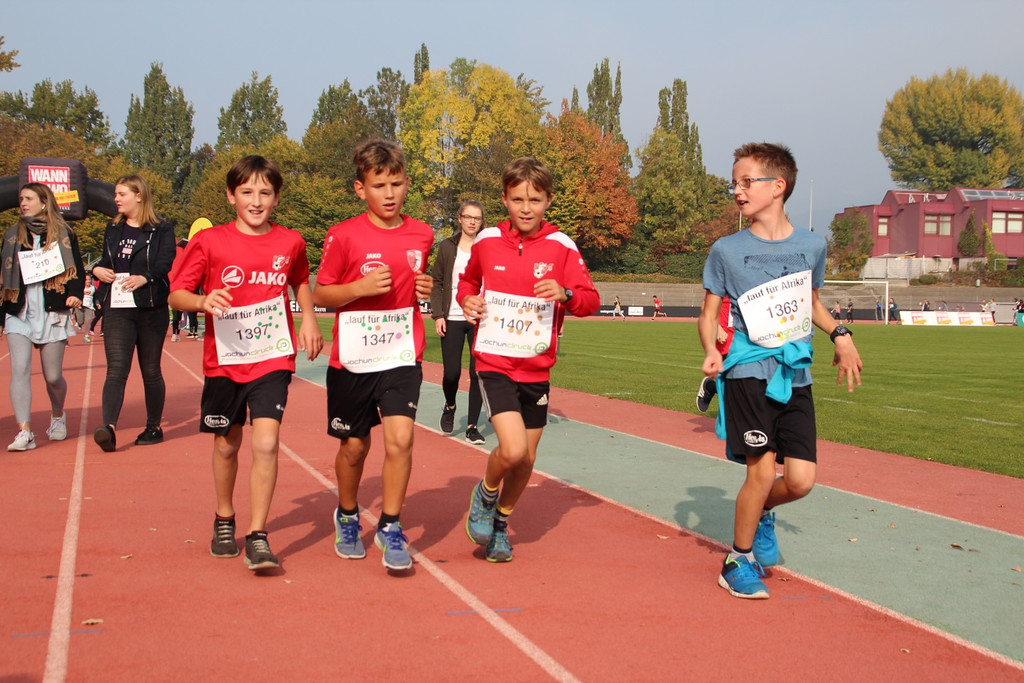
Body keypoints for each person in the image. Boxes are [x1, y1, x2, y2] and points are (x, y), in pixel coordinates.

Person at [699, 142, 862, 599]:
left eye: (747, 181)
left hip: (795, 374)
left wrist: (840, 334)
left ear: (778, 186)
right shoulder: (726, 250)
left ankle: (762, 512)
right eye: (734, 182)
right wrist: (711, 349)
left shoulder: (812, 245)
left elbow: (811, 304)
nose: (737, 190)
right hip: (747, 370)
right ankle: (737, 560)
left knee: (801, 481)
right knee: (760, 472)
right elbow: (709, 313)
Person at [169, 155, 323, 572]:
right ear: (231, 195)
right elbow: (177, 294)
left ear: (276, 198)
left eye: (265, 193)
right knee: (227, 444)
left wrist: (308, 319)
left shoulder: (291, 242)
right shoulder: (209, 242)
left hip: (272, 355)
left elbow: (299, 279)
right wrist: (202, 301)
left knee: (267, 442)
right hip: (224, 360)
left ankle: (258, 534)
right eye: (247, 192)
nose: (256, 201)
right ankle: (224, 517)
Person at [459, 157, 600, 563]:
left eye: (534, 200)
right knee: (513, 448)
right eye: (517, 199)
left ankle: (501, 525)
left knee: (527, 459)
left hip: (536, 367)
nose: (525, 208)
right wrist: (467, 300)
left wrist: (566, 294)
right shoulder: (487, 240)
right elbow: (468, 282)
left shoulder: (562, 246)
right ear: (504, 198)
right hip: (494, 362)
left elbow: (590, 300)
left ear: (548, 201)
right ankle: (486, 493)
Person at [313, 139, 434, 572]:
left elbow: (418, 283)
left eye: (396, 184)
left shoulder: (422, 233)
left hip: (401, 353)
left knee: (401, 439)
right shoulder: (344, 235)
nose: (389, 193)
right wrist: (358, 289)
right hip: (354, 358)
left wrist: (425, 288)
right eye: (379, 185)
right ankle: (347, 515)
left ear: (406, 184)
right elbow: (321, 293)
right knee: (354, 446)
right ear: (360, 188)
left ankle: (390, 525)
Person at [90, 175, 176, 452]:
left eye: (121, 194)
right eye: (115, 194)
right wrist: (97, 270)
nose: (116, 199)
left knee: (150, 370)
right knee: (116, 369)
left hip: (151, 308)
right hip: (118, 308)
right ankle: (109, 428)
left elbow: (165, 262)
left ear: (139, 196)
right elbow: (107, 260)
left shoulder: (162, 229)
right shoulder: (113, 228)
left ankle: (154, 426)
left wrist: (145, 277)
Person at [0, 183, 85, 451]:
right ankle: (25, 431)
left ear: (44, 202)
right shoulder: (12, 236)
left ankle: (58, 415)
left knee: (52, 376)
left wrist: (74, 294)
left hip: (52, 311)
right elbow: (3, 276)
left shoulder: (64, 234)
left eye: (28, 198)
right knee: (20, 369)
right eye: (21, 199)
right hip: (19, 311)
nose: (23, 203)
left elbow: (77, 269)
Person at [430, 200, 486, 445]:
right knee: (451, 373)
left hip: (480, 318)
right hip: (451, 316)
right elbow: (437, 282)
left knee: (478, 373)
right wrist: (438, 315)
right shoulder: (446, 247)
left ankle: (472, 426)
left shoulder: (488, 247)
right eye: (468, 217)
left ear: (481, 221)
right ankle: (450, 405)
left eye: (477, 218)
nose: (472, 221)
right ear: (460, 218)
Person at [696, 296, 733, 412]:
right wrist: (717, 328)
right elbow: (705, 306)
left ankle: (710, 387)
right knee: (737, 387)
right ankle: (710, 387)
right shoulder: (726, 285)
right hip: (726, 339)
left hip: (746, 340)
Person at [80, 273, 95, 343]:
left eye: (89, 279)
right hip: (80, 306)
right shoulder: (80, 287)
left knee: (88, 320)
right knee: (80, 321)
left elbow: (96, 296)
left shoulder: (93, 288)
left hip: (89, 306)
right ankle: (79, 322)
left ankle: (86, 335)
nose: (88, 281)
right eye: (86, 280)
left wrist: (97, 303)